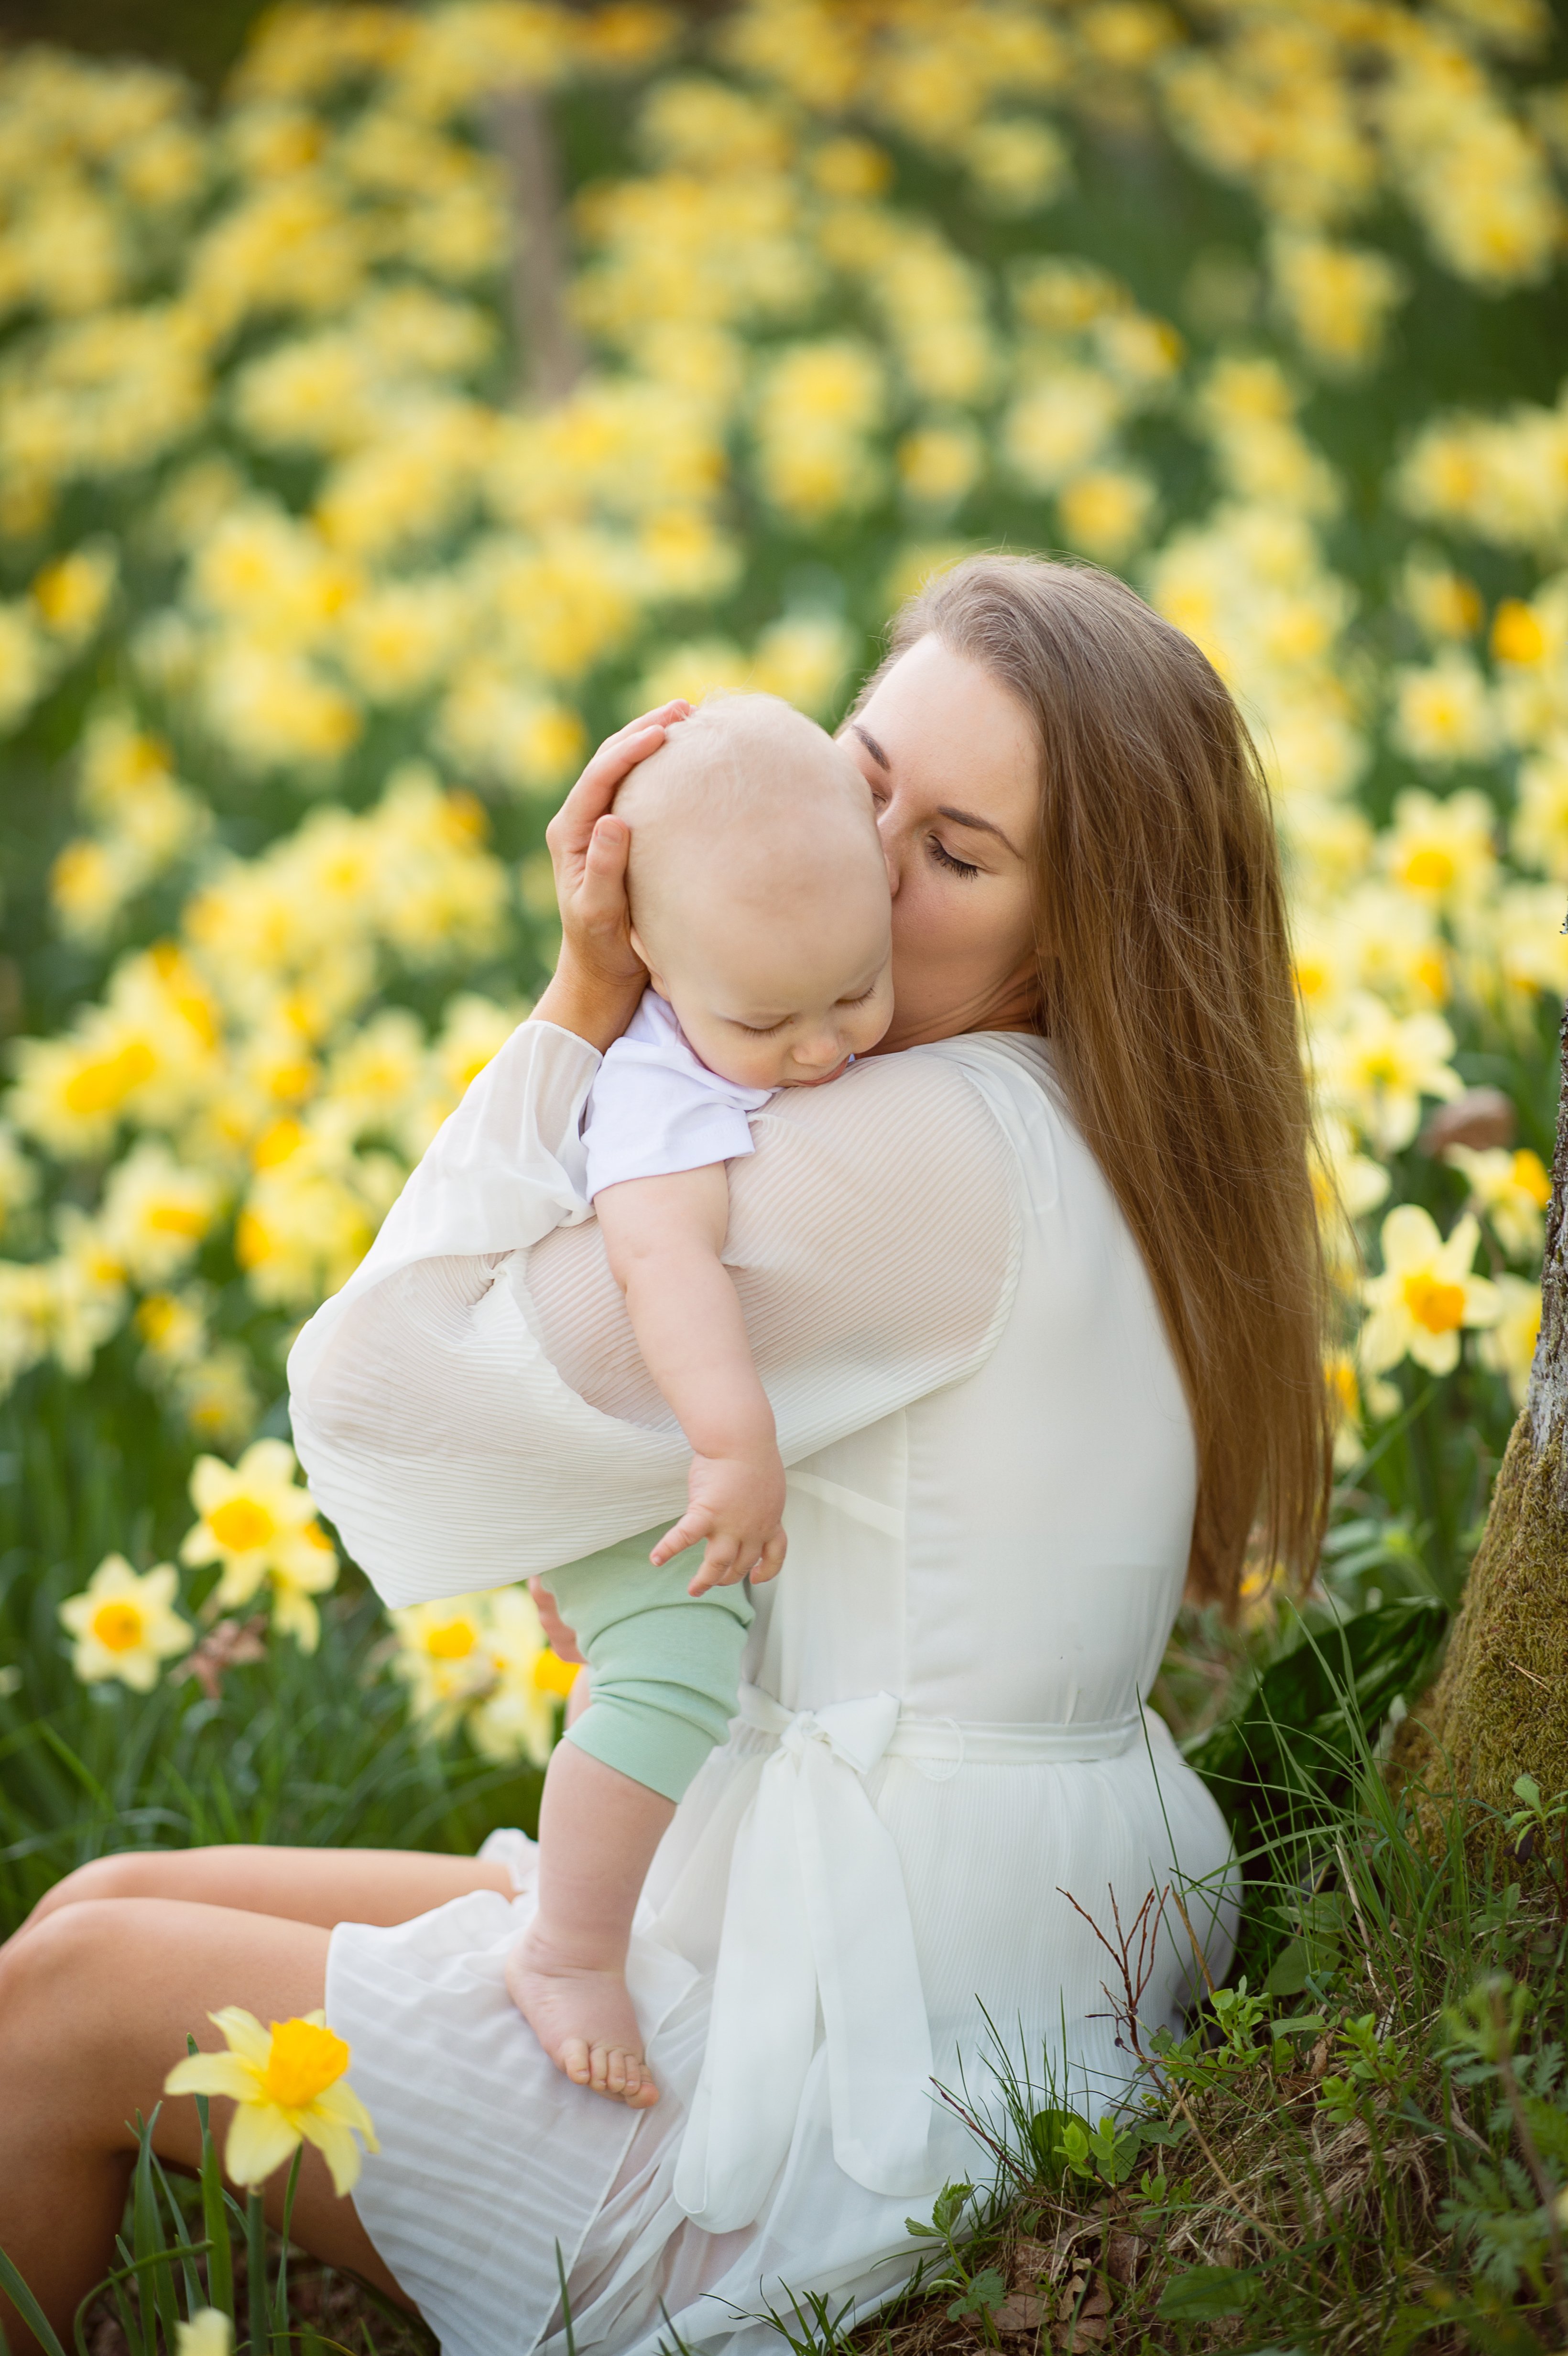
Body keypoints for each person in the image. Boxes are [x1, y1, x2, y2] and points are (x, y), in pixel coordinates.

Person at [0, 556, 1332, 2356]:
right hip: (910, 1926)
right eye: (862, 779)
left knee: (64, 2000)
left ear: (1078, 933)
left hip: (829, 2072)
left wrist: (579, 998)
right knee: (103, 1898)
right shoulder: (1102, 1121)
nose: (856, 865)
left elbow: (397, 1396)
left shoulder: (914, 1152)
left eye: (951, 855)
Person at [502, 693, 896, 2107]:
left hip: (636, 1456)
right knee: (672, 1680)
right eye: (767, 1019)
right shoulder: (662, 1092)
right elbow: (661, 1264)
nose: (822, 1052)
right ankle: (569, 1944)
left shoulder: (748, 998)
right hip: (661, 1449)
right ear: (651, 959)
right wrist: (736, 1442)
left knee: (662, 1679)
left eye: (859, 990)